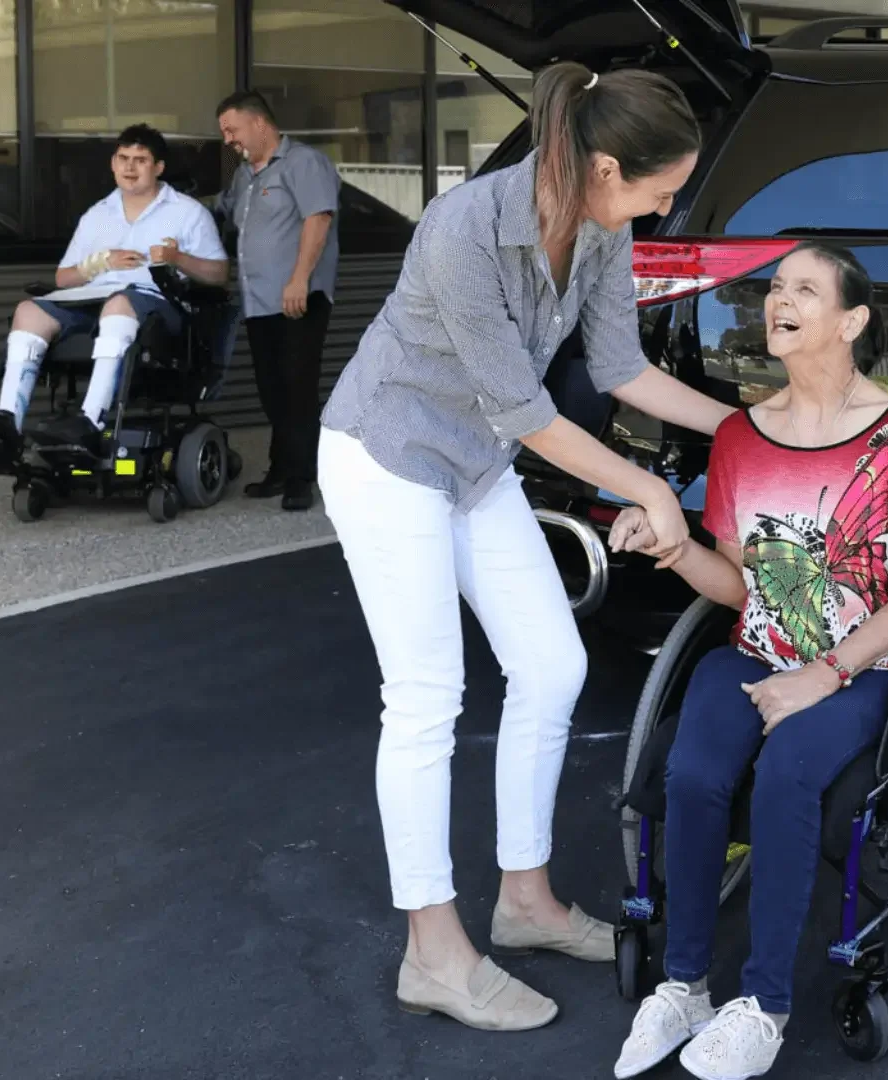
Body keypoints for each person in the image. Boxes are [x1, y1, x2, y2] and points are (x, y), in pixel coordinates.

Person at [313, 61, 737, 1034]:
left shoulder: (603, 229)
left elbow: (622, 367)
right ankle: (433, 950)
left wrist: (746, 430)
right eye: (659, 189)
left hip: (475, 462)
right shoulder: (463, 228)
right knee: (425, 697)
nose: (665, 209)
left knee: (552, 664)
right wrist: (644, 490)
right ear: (600, 166)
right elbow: (529, 408)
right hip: (388, 456)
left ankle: (526, 900)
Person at [606, 243, 888, 1080]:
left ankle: (762, 1005)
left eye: (803, 288)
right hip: (756, 649)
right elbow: (736, 584)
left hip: (863, 666)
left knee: (792, 773)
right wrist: (675, 546)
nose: (777, 300)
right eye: (773, 287)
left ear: (851, 321)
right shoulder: (740, 434)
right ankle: (683, 985)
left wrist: (823, 675)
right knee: (692, 772)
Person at [0, 124, 228, 455]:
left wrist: (176, 257)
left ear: (159, 167)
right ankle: (7, 423)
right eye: (123, 158)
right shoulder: (97, 215)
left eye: (140, 160)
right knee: (28, 311)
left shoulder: (188, 212)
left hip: (156, 307)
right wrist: (99, 263)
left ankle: (91, 420)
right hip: (91, 301)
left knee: (118, 304)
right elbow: (63, 279)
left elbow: (218, 274)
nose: (130, 167)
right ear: (113, 164)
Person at [216, 89, 340, 512]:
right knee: (272, 389)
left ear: (260, 124)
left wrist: (299, 279)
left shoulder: (304, 163)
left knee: (297, 388)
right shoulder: (243, 177)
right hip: (258, 303)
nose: (229, 140)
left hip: (297, 299)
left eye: (232, 130)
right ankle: (280, 469)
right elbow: (220, 211)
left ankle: (302, 477)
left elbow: (318, 218)